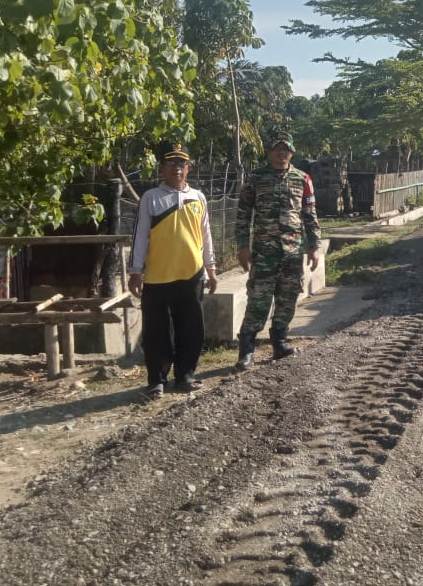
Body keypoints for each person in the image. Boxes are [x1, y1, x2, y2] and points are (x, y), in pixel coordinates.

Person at [127, 142, 218, 398]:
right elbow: (140, 236)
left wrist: (211, 268)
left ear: (188, 167)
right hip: (158, 276)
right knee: (157, 331)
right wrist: (135, 271)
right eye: (171, 163)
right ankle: (157, 380)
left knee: (191, 328)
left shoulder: (198, 197)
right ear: (162, 168)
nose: (177, 168)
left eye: (182, 163)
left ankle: (186, 375)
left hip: (192, 274)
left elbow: (206, 235)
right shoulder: (151, 198)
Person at [235, 129, 322, 369]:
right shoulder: (255, 178)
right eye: (277, 149)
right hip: (264, 253)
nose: (282, 153)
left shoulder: (303, 179)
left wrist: (315, 246)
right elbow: (243, 215)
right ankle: (247, 351)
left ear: (292, 152)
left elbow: (310, 214)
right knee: (258, 301)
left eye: (286, 149)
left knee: (287, 299)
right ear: (269, 151)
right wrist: (242, 246)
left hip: (292, 253)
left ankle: (280, 343)